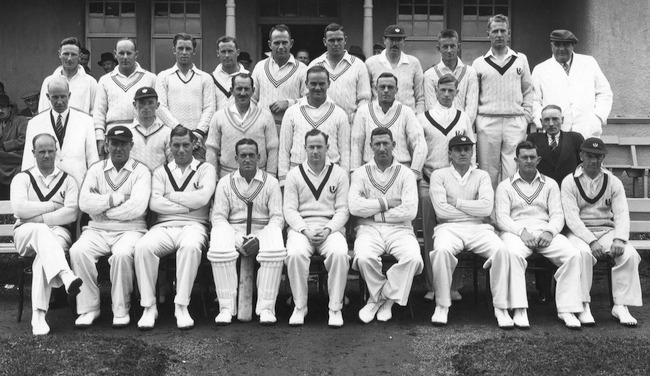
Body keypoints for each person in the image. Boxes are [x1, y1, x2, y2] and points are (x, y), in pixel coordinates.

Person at [495, 141, 586, 329]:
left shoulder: (550, 184)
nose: (528, 161)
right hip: (516, 232)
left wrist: (550, 231)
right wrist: (521, 232)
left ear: (538, 159)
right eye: (524, 157)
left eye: (532, 157)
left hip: (544, 231)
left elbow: (558, 214)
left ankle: (567, 309)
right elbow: (501, 218)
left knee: (573, 255)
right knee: (512, 254)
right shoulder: (505, 186)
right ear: (516, 160)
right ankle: (519, 308)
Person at [134, 125, 217, 331]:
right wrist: (190, 204)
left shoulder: (205, 168)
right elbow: (154, 203)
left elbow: (204, 198)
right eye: (176, 145)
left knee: (190, 247)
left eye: (186, 145)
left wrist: (171, 197)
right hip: (163, 226)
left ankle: (181, 305)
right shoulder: (161, 171)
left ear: (194, 145)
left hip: (194, 226)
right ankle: (149, 306)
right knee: (143, 247)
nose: (181, 150)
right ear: (170, 146)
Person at [70, 126, 151, 329]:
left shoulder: (141, 171)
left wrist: (103, 208)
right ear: (106, 145)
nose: (118, 148)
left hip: (131, 229)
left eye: (123, 144)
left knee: (122, 255)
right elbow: (85, 203)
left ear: (131, 145)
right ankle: (89, 308)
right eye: (114, 143)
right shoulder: (96, 169)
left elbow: (137, 207)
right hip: (97, 228)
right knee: (78, 251)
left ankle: (121, 309)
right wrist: (116, 199)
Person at [429, 135, 513, 328]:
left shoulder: (481, 176)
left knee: (501, 250)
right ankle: (442, 305)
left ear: (472, 152)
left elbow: (485, 209)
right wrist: (471, 207)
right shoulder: (439, 175)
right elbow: (441, 210)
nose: (463, 153)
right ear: (449, 153)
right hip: (448, 228)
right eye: (458, 150)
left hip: (479, 228)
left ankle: (501, 308)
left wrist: (456, 202)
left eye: (467, 149)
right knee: (441, 251)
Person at [562, 138, 642, 326]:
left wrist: (620, 240)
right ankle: (583, 304)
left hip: (606, 230)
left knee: (629, 254)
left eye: (598, 157)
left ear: (603, 158)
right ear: (581, 156)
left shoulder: (613, 181)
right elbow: (572, 219)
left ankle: (621, 305)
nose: (594, 161)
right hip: (580, 233)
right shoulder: (569, 181)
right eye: (589, 156)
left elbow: (622, 213)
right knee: (582, 254)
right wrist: (591, 241)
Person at [349, 127, 423, 323]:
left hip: (400, 229)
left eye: (386, 143)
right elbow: (355, 207)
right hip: (368, 230)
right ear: (371, 146)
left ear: (394, 145)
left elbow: (409, 211)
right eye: (377, 144)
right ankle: (386, 297)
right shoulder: (360, 173)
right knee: (364, 258)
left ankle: (381, 298)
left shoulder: (406, 174)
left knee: (413, 258)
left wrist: (374, 214)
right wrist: (384, 204)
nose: (382, 148)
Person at [11, 134, 83, 335]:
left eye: (51, 151)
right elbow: (19, 209)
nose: (47, 155)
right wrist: (52, 206)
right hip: (25, 233)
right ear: (33, 153)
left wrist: (39, 218)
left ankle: (39, 315)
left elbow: (71, 212)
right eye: (41, 151)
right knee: (41, 232)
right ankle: (66, 275)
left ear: (56, 151)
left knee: (44, 256)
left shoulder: (68, 180)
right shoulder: (22, 178)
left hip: (59, 233)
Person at [209, 138, 286, 325]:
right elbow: (218, 217)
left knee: (275, 249)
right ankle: (226, 307)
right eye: (243, 155)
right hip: (233, 233)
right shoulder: (225, 183)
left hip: (262, 233)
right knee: (218, 248)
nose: (247, 159)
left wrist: (258, 239)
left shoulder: (272, 183)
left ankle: (267, 308)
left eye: (252, 155)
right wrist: (237, 240)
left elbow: (277, 218)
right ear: (236, 158)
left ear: (259, 157)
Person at [284, 129, 350, 327]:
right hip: (302, 229)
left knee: (339, 253)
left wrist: (328, 229)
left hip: (330, 228)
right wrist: (305, 230)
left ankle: (335, 308)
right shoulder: (294, 174)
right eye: (311, 147)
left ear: (327, 148)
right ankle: (300, 306)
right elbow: (289, 209)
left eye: (319, 147)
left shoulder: (339, 174)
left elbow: (343, 210)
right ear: (304, 148)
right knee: (295, 254)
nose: (315, 151)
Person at [418, 74, 475, 302]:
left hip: (456, 180)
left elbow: (470, 151)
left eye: (451, 91)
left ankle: (455, 284)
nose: (446, 94)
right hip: (429, 178)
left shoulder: (463, 118)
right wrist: (424, 174)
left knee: (457, 230)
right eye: (443, 90)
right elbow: (418, 151)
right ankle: (433, 285)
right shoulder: (422, 118)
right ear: (436, 90)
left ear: (457, 92)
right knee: (432, 233)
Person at [472, 15, 533, 189]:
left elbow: (528, 90)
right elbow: (474, 95)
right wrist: (477, 121)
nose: (499, 34)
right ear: (488, 34)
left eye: (502, 31)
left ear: (509, 33)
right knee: (487, 171)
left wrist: (526, 117)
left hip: (515, 121)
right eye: (495, 31)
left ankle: (509, 212)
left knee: (512, 170)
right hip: (487, 121)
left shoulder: (520, 60)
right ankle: (489, 215)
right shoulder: (479, 63)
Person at [532, 30, 613, 138]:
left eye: (566, 45)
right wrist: (543, 122)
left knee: (585, 155)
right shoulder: (540, 69)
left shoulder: (589, 63)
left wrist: (597, 118)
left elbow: (604, 93)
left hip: (586, 130)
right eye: (557, 45)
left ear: (573, 46)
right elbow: (534, 101)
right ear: (552, 46)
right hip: (555, 133)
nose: (561, 49)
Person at [278, 66, 350, 184]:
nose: (317, 88)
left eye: (322, 83)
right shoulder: (292, 112)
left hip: (331, 178)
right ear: (306, 84)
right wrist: (283, 181)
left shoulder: (339, 114)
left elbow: (345, 152)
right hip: (297, 177)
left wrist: (344, 181)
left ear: (329, 84)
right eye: (313, 83)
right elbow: (284, 151)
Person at [22, 77, 99, 186]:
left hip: (77, 182)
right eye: (55, 97)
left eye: (63, 97)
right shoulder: (35, 123)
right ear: (48, 97)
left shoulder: (86, 121)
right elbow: (28, 159)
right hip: (46, 184)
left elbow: (92, 157)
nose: (59, 101)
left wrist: (94, 185)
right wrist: (26, 185)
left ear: (69, 95)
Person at [351, 72, 425, 178]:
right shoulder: (363, 111)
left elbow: (420, 144)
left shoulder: (406, 111)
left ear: (396, 90)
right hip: (371, 170)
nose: (386, 90)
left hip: (401, 169)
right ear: (376, 89)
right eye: (382, 87)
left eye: (390, 87)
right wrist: (355, 173)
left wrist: (414, 173)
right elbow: (356, 145)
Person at [156, 33, 216, 161]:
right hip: (172, 140)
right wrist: (180, 132)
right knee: (174, 177)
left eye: (188, 49)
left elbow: (210, 108)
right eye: (180, 48)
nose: (184, 52)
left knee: (198, 178)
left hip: (198, 142)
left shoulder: (205, 78)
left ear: (194, 51)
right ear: (174, 50)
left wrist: (197, 135)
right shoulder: (163, 76)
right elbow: (160, 107)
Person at [206, 73, 278, 178]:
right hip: (227, 178)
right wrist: (212, 178)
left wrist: (270, 177)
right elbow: (211, 149)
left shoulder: (266, 116)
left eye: (246, 89)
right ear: (232, 90)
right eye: (239, 89)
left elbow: (273, 149)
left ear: (253, 91)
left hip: (258, 177)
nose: (243, 93)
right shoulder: (219, 116)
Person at [94, 39, 157, 157]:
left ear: (136, 54)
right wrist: (100, 138)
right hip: (113, 135)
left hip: (142, 134)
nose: (125, 57)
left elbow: (157, 110)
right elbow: (99, 112)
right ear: (115, 54)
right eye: (121, 53)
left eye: (129, 53)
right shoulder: (105, 80)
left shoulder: (150, 78)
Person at [309, 23, 371, 125]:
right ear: (325, 42)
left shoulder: (358, 65)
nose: (336, 43)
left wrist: (357, 122)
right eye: (331, 40)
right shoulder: (315, 64)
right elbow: (307, 96)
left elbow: (364, 100)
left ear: (345, 40)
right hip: (321, 123)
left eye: (339, 40)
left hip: (350, 123)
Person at [251, 25, 307, 132]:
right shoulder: (260, 67)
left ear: (291, 43)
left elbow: (309, 100)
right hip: (262, 128)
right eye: (276, 43)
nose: (281, 47)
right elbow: (252, 99)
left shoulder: (303, 69)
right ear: (269, 44)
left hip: (293, 128)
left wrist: (288, 103)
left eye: (284, 42)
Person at [365, 25, 425, 114]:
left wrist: (417, 118)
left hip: (407, 119)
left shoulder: (414, 63)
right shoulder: (371, 63)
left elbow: (420, 97)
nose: (395, 44)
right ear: (384, 40)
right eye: (391, 39)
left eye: (398, 40)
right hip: (379, 119)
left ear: (403, 42)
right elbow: (366, 97)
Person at [423, 29, 478, 123]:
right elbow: (431, 107)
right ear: (438, 48)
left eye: (452, 46)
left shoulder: (470, 72)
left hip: (464, 129)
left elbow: (472, 107)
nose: (449, 50)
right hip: (438, 128)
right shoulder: (430, 75)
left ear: (459, 47)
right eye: (445, 47)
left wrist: (462, 126)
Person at [526, 104, 583, 186]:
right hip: (542, 189)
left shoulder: (575, 138)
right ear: (541, 122)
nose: (551, 124)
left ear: (562, 120)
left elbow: (582, 166)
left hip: (569, 188)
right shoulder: (533, 139)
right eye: (546, 120)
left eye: (555, 119)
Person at [38, 37, 97, 115]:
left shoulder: (90, 82)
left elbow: (96, 112)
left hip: (81, 126)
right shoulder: (49, 81)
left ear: (80, 55)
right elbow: (43, 111)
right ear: (59, 54)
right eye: (66, 54)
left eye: (73, 54)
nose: (69, 58)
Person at [127, 87, 172, 170]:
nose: (146, 107)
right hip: (134, 180)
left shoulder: (167, 132)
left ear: (157, 105)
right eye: (142, 103)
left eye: (150, 103)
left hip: (159, 180)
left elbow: (172, 162)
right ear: (134, 105)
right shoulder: (128, 131)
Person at [0, 94, 28, 200]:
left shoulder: (21, 120)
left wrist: (5, 145)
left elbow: (24, 139)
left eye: (2, 107)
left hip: (15, 158)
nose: (0, 111)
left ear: (9, 108)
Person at [211, 36, 248, 111]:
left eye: (230, 51)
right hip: (217, 122)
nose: (227, 55)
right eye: (223, 52)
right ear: (218, 53)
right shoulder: (210, 78)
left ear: (237, 52)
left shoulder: (249, 77)